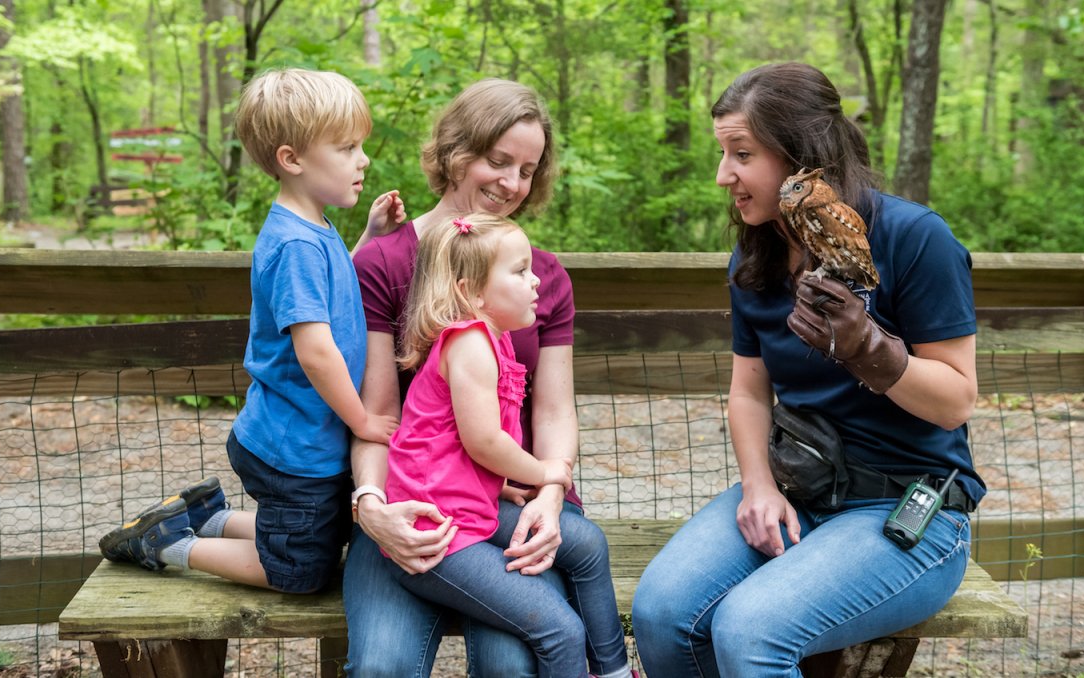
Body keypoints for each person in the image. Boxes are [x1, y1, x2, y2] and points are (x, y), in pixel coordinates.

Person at [631, 62, 985, 676]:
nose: (724, 176)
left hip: (906, 507)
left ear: (802, 154)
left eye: (741, 153)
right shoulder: (757, 251)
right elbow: (747, 393)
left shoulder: (912, 237)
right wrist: (758, 486)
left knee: (751, 628)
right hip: (797, 488)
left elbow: (955, 401)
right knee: (662, 613)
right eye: (722, 153)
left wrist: (873, 351)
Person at [99, 68, 405, 593]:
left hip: (303, 439)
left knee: (319, 538)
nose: (363, 159)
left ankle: (207, 518)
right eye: (347, 147)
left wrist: (371, 239)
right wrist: (363, 421)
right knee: (300, 573)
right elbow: (316, 354)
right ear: (293, 160)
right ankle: (167, 544)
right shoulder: (295, 245)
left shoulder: (312, 227)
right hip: (293, 452)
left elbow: (330, 293)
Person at [343, 79, 597, 677]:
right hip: (414, 507)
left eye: (527, 169)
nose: (511, 183)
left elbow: (554, 413)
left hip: (519, 506)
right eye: (497, 160)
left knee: (513, 665)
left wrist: (554, 497)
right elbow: (377, 416)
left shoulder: (541, 276)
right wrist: (372, 507)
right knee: (382, 667)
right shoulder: (386, 262)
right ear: (456, 154)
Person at [380, 212, 631, 678]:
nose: (537, 281)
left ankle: (614, 672)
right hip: (435, 537)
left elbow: (443, 444)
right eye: (519, 272)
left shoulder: (495, 339)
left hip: (468, 508)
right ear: (472, 292)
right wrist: (545, 472)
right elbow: (484, 440)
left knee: (588, 544)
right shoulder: (470, 343)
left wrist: (496, 487)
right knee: (560, 630)